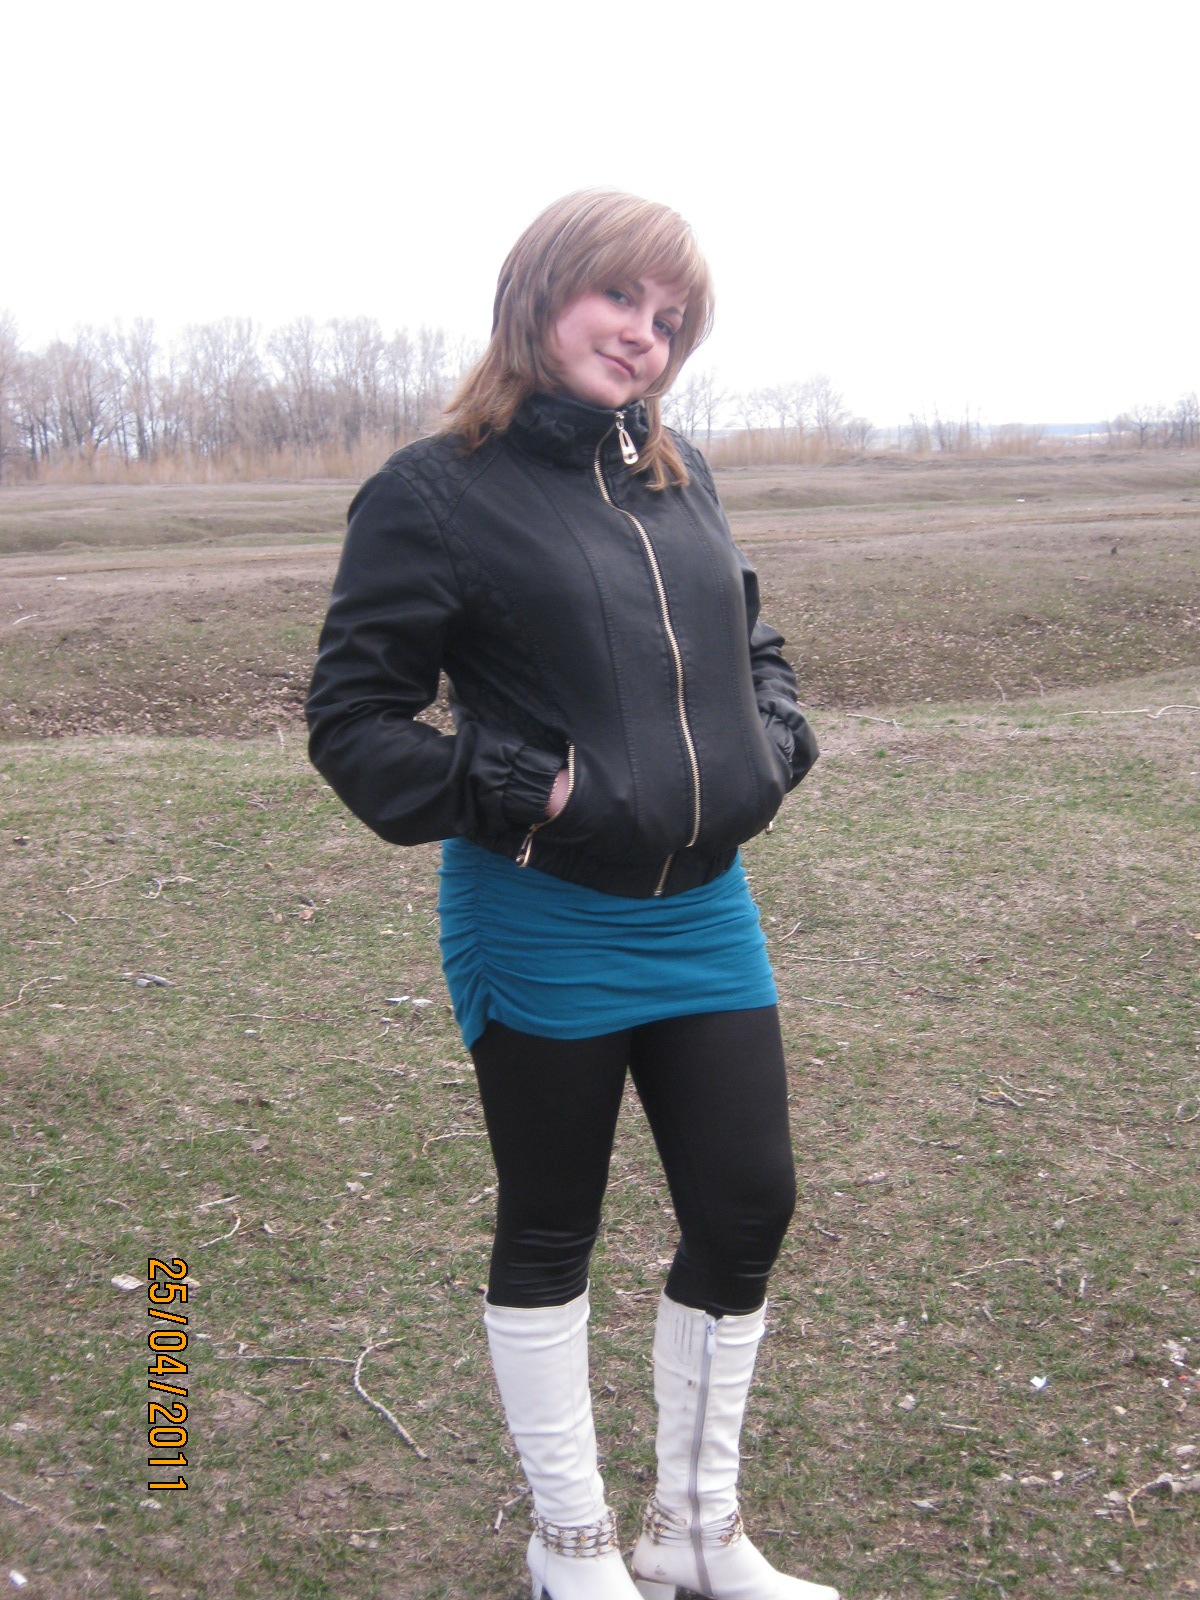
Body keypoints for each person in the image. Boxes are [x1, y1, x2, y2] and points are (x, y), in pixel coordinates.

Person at [306, 190, 837, 1600]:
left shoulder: (679, 471)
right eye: (621, 300)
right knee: (552, 1222)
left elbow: (748, 635)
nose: (646, 336)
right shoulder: (432, 493)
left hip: (704, 909)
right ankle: (572, 1545)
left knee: (748, 1206)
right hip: (542, 915)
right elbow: (353, 724)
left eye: (672, 320)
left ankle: (695, 1532)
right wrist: (524, 787)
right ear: (542, 292)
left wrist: (775, 738)